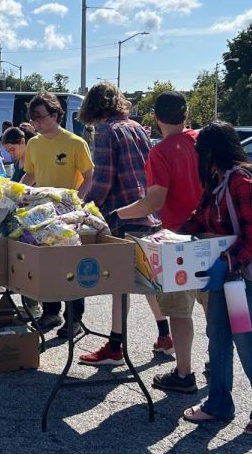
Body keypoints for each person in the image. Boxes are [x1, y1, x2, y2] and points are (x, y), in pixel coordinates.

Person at [179, 122, 252, 437]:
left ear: (212, 151)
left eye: (200, 152)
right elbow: (201, 216)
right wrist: (172, 233)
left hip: (251, 276)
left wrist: (224, 265)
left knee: (246, 339)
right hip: (230, 274)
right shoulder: (218, 179)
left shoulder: (242, 181)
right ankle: (218, 403)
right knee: (218, 334)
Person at [115, 91, 203, 385]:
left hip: (178, 240)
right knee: (215, 308)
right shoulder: (201, 141)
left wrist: (119, 214)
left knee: (179, 313)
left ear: (156, 118)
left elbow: (153, 202)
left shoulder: (161, 152)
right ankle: (217, 368)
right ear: (186, 113)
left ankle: (184, 373)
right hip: (214, 234)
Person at [72, 82, 158, 367]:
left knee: (119, 283)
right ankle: (165, 335)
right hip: (144, 210)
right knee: (146, 279)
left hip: (121, 213)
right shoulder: (135, 127)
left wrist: (86, 210)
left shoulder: (106, 131)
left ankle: (115, 347)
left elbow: (103, 180)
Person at [24, 91, 94, 337]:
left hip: (68, 217)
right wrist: (17, 194)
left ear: (55, 114)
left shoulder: (75, 143)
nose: (36, 123)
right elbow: (30, 176)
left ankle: (74, 320)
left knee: (71, 269)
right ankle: (50, 313)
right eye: (33, 119)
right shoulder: (33, 144)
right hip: (42, 217)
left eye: (40, 117)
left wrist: (76, 203)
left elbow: (89, 177)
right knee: (47, 267)